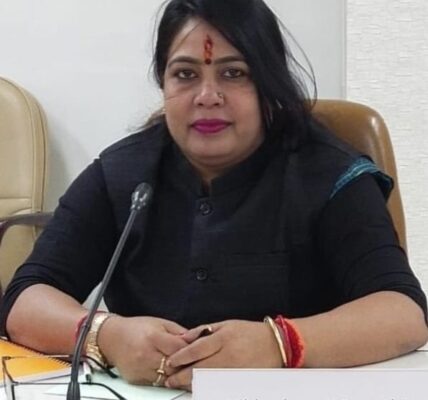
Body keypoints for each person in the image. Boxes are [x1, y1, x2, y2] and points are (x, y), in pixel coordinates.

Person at [0, 0, 427, 392]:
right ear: (163, 83)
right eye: (185, 75)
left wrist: (279, 343)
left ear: (268, 84)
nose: (207, 97)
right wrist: (106, 335)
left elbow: (403, 312)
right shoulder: (124, 175)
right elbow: (25, 298)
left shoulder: (331, 174)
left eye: (233, 73)